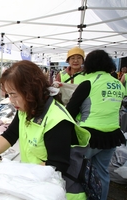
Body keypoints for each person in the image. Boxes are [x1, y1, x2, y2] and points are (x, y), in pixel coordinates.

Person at [0, 60, 91, 200]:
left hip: (59, 191)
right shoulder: (26, 109)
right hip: (35, 184)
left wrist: (16, 176)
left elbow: (57, 165)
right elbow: (10, 135)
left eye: (14, 94)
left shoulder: (56, 119)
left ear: (31, 91)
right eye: (9, 94)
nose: (11, 100)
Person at [66, 50, 126, 200]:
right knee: (102, 171)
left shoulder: (89, 82)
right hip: (112, 135)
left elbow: (71, 110)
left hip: (89, 135)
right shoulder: (118, 83)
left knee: (76, 170)